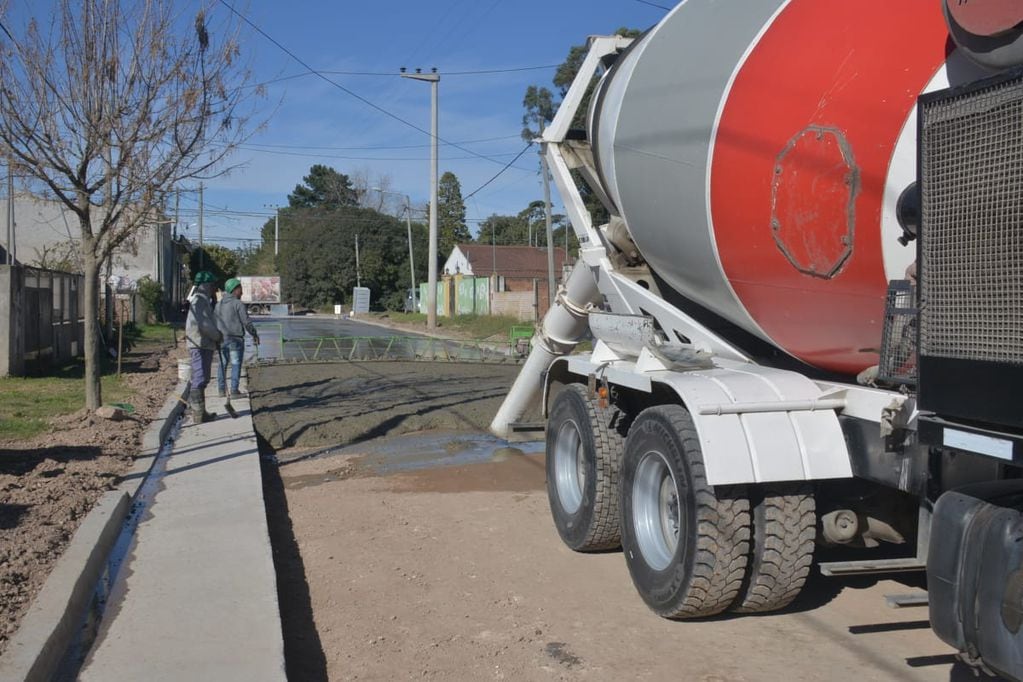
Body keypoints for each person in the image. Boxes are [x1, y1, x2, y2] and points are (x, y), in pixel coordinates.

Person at [184, 270, 223, 423]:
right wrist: (217, 335)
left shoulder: (203, 300)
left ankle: (201, 412)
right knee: (200, 378)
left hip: (203, 344)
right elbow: (204, 324)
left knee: (203, 377)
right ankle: (198, 414)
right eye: (213, 285)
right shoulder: (199, 301)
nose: (214, 288)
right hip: (199, 344)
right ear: (206, 285)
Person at [215, 277, 260, 397]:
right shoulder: (238, 304)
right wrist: (254, 334)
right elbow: (247, 322)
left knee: (222, 364)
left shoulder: (218, 305)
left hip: (221, 340)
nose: (242, 292)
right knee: (235, 364)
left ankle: (221, 390)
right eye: (240, 289)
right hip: (235, 339)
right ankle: (234, 391)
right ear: (234, 290)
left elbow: (214, 322)